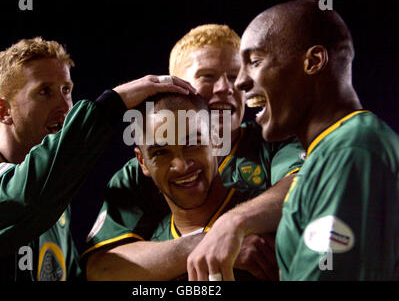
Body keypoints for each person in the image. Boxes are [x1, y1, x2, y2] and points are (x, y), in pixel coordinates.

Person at [187, 0, 399, 281]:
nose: (239, 83)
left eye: (254, 62)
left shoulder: (351, 151)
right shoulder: (331, 152)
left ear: (312, 62)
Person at [0, 37, 194, 281]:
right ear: (4, 111)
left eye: (66, 90)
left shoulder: (56, 196)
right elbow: (25, 196)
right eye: (44, 91)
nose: (64, 106)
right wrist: (112, 104)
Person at [84, 24, 305, 281]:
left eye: (235, 76)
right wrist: (208, 242)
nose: (225, 87)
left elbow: (308, 189)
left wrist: (232, 226)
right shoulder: (137, 173)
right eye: (208, 76)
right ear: (175, 86)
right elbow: (101, 269)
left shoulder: (275, 138)